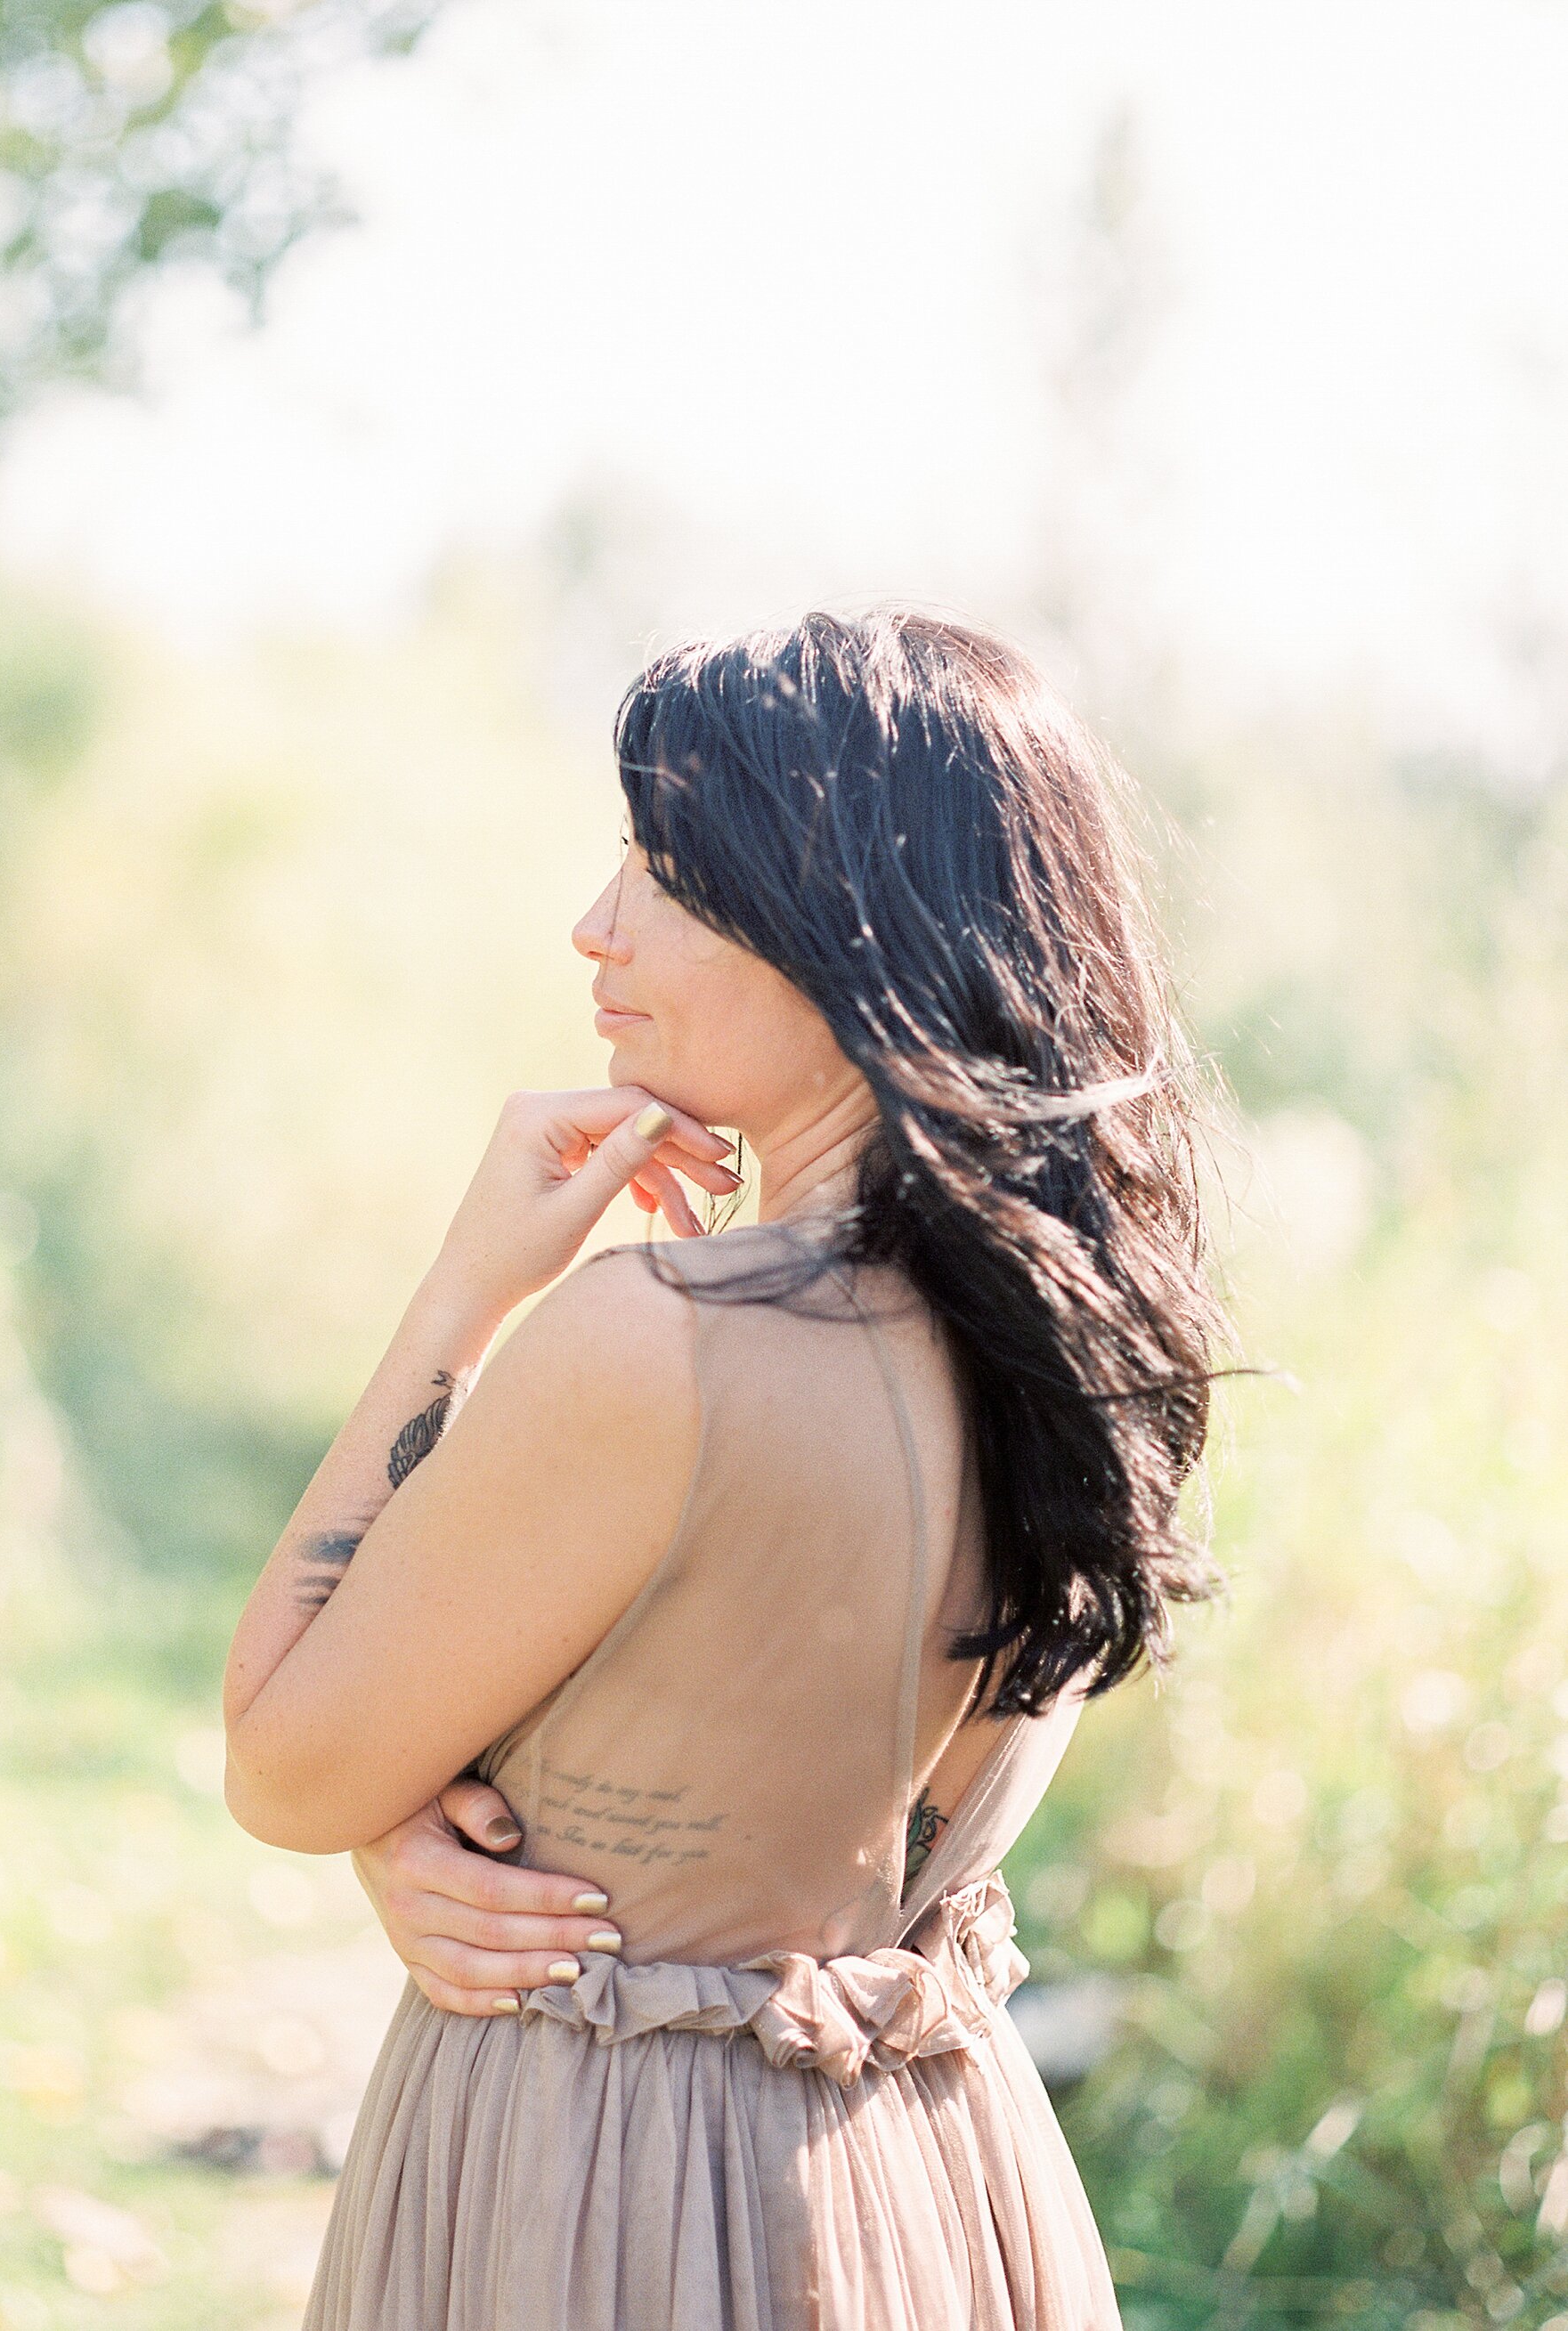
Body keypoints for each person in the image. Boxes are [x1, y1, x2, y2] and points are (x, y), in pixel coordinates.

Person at [223, 609, 1226, 2330]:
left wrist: (470, 1286)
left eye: (666, 870)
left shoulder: (661, 1342)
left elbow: (284, 1761)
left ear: (845, 924)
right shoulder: (1074, 1347)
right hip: (936, 2188)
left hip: (618, 2200)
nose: (593, 924)